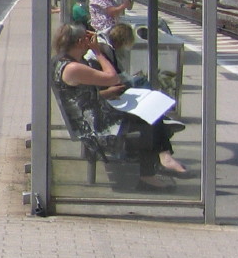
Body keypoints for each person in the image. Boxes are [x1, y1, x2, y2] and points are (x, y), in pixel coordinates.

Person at [51, 23, 187, 190]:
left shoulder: (61, 61)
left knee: (150, 113)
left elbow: (79, 97)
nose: (92, 40)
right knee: (149, 119)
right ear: (80, 41)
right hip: (94, 126)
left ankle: (161, 158)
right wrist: (98, 52)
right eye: (88, 38)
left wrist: (109, 93)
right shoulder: (73, 68)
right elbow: (112, 77)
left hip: (90, 115)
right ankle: (150, 174)